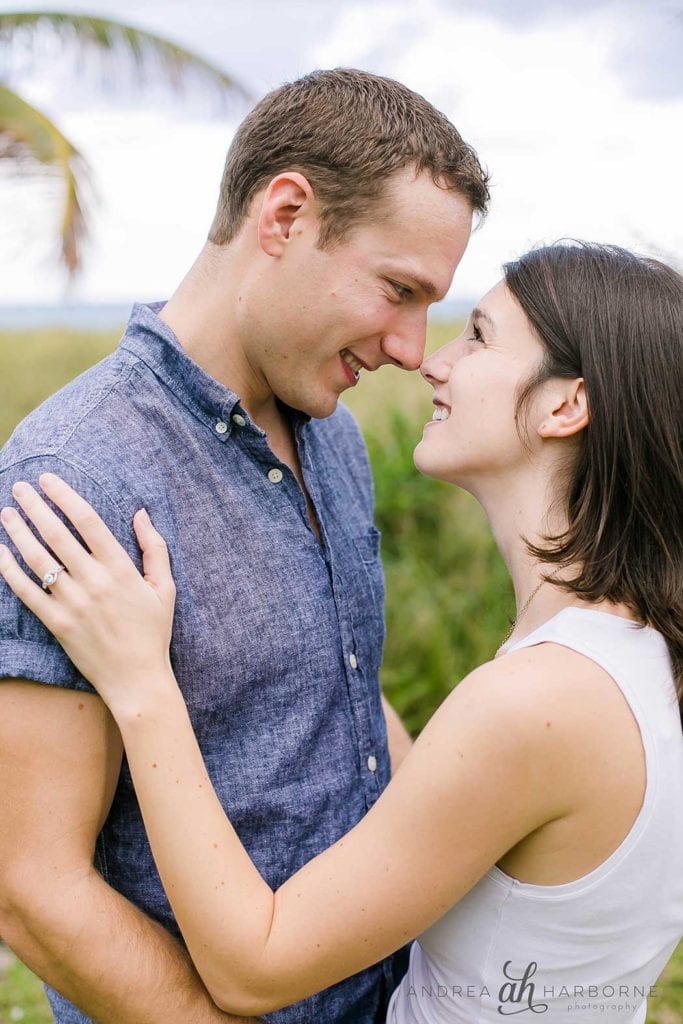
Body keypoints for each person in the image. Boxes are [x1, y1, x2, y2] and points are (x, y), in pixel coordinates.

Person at [1, 241, 681, 1024]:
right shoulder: (634, 656)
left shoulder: (536, 703)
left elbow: (253, 967)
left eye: (480, 336)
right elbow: (450, 811)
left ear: (565, 404)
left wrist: (143, 684)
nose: (431, 359)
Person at [0, 69, 486, 1024]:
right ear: (286, 214)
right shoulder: (76, 471)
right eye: (397, 290)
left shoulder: (331, 431)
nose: (408, 344)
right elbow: (29, 886)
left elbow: (339, 682)